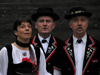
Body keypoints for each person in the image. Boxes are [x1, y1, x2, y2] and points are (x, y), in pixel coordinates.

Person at [53, 7, 100, 75]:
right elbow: (57, 72)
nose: (79, 23)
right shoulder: (61, 47)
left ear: (87, 24)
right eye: (75, 20)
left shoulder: (97, 46)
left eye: (83, 20)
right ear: (70, 25)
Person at [30, 7, 64, 74]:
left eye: (48, 21)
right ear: (36, 25)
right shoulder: (28, 44)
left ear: (53, 25)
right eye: (41, 21)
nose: (44, 24)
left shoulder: (61, 45)